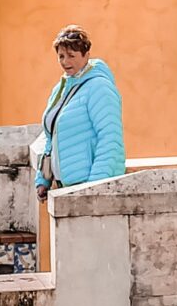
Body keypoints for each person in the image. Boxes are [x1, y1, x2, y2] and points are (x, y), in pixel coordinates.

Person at [30, 25, 124, 207]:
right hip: (65, 188)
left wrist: (94, 187)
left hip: (87, 188)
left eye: (72, 56)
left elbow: (110, 139)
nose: (65, 62)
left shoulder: (99, 87)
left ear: (86, 55)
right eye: (61, 56)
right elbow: (51, 135)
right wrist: (43, 179)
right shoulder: (61, 88)